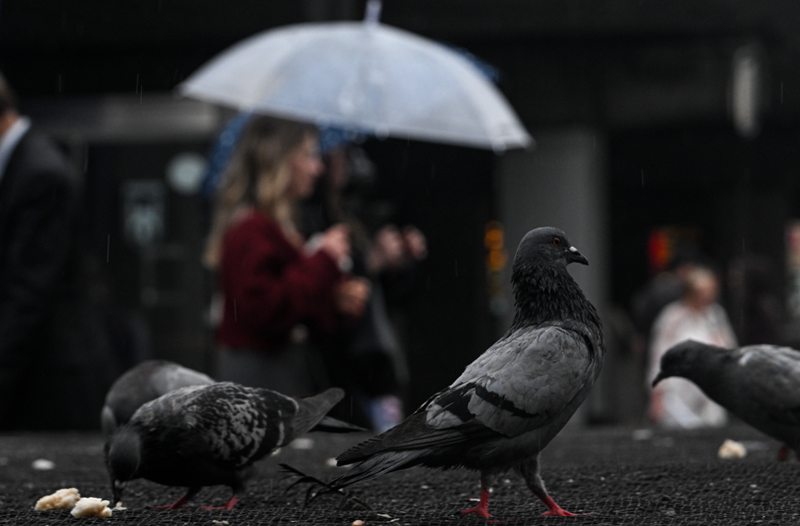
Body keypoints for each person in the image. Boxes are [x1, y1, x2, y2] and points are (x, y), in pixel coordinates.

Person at [204, 115, 370, 396]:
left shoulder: (281, 226)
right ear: (279, 161)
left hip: (278, 376)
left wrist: (334, 301)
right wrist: (324, 259)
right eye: (308, 155)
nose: (317, 168)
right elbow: (264, 312)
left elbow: (294, 306)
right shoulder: (249, 229)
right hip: (259, 382)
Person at [0, 71, 115, 430]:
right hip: (44, 370)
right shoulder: (28, 163)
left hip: (55, 376)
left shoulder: (39, 172)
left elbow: (28, 291)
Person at [301, 144, 427, 431]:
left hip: (371, 362)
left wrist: (400, 264)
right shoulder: (311, 215)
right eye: (337, 153)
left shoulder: (353, 211)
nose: (345, 162)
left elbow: (388, 296)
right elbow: (324, 295)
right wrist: (369, 263)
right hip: (340, 365)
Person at [646, 266, 737, 428]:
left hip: (709, 390)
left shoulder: (715, 315)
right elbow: (659, 355)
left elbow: (729, 348)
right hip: (678, 390)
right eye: (702, 292)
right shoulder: (672, 316)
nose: (708, 297)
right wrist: (657, 394)